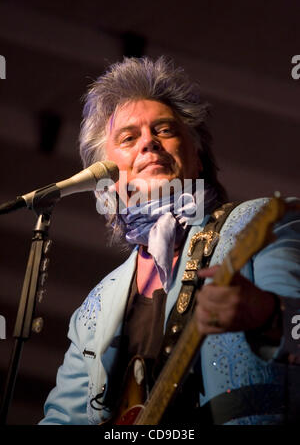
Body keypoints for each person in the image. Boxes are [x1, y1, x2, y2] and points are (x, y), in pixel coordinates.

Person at [39, 56, 300, 425]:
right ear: (106, 181)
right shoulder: (93, 311)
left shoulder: (256, 224)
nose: (148, 143)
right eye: (128, 138)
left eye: (164, 130)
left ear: (197, 159)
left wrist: (270, 315)